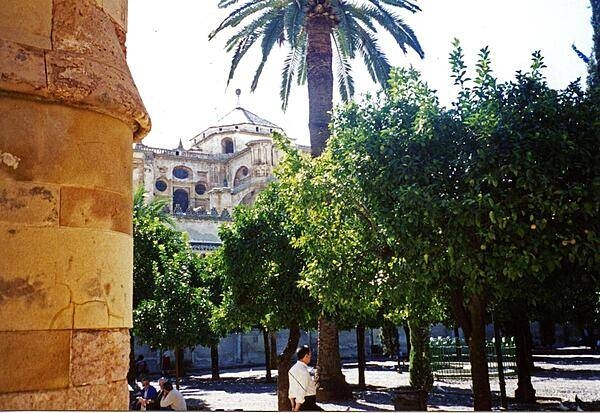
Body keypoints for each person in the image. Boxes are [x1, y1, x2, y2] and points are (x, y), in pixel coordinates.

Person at [288, 345, 322, 411]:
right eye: (310, 355)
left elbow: (291, 390)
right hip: (306, 403)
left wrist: (293, 406)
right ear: (306, 356)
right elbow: (301, 391)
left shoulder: (292, 369)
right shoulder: (303, 371)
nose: (310, 357)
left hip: (298, 402)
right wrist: (296, 409)